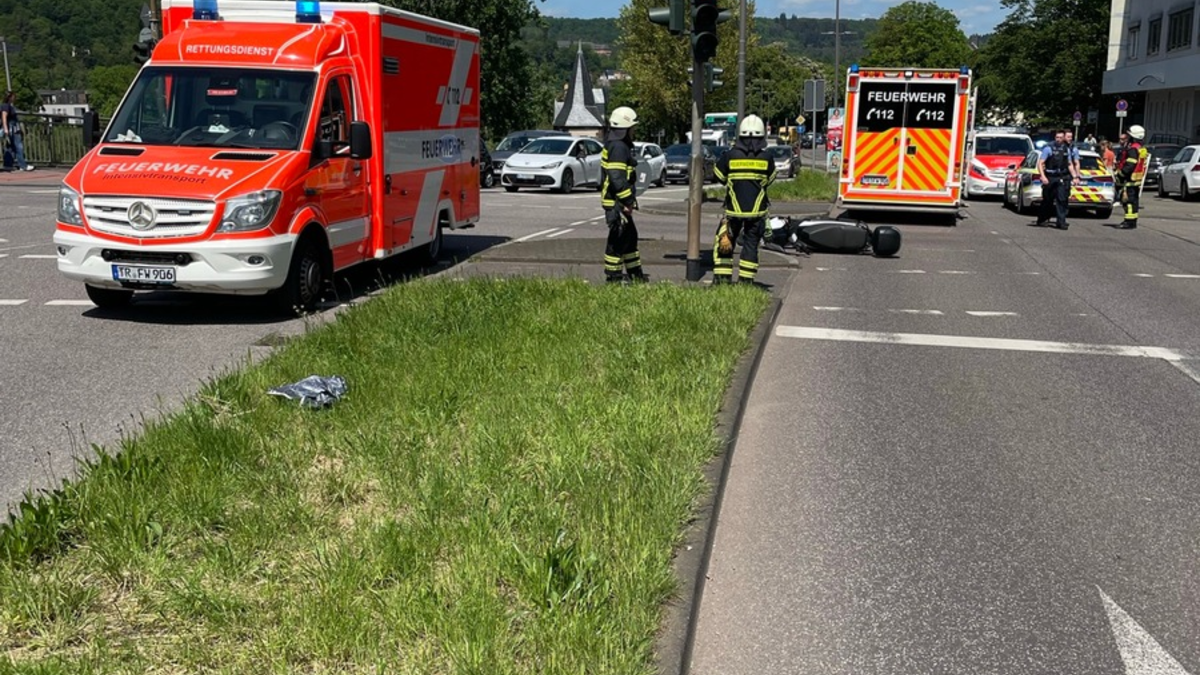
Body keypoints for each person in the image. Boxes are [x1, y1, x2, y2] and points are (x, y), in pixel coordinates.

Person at [712, 114, 776, 284]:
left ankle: (722, 280)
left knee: (724, 241)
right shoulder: (767, 157)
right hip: (757, 212)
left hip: (733, 211)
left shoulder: (730, 155)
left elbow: (719, 176)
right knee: (750, 245)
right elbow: (770, 180)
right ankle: (746, 282)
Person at [600, 105, 646, 283]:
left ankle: (636, 276)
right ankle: (613, 278)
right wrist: (627, 201)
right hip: (617, 203)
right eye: (632, 127)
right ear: (626, 128)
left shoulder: (616, 144)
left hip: (618, 202)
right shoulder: (618, 147)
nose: (634, 131)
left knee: (629, 238)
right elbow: (617, 177)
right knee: (617, 240)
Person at [1035, 129, 1079, 230]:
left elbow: (1069, 164)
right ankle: (1042, 219)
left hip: (1061, 177)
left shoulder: (1066, 149)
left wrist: (1075, 176)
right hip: (1050, 176)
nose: (1058, 140)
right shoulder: (1048, 148)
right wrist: (1043, 176)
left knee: (1062, 199)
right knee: (1047, 199)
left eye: (1060, 137)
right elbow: (1041, 163)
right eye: (1057, 137)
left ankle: (1061, 222)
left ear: (1064, 138)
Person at [1114, 124, 1148, 230]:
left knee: (1128, 201)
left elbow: (1130, 165)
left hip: (1129, 179)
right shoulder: (1139, 148)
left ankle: (1129, 222)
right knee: (1133, 201)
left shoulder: (1133, 149)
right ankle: (1132, 221)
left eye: (1129, 135)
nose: (1127, 138)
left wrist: (1121, 174)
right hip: (1135, 179)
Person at [1, 91, 33, 172]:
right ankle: (23, 165)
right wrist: (6, 129)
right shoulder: (6, 106)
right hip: (12, 128)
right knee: (18, 146)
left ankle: (7, 165)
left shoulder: (7, 106)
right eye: (14, 96)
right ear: (10, 97)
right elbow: (4, 117)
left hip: (12, 128)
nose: (15, 98)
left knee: (10, 147)